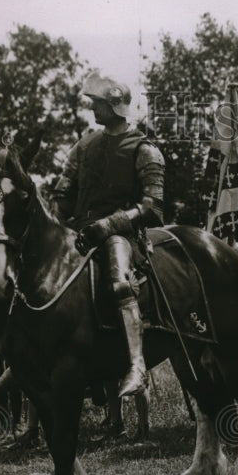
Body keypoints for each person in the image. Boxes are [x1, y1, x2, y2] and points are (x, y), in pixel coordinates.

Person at [51, 71, 165, 397]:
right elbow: (63, 193)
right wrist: (56, 225)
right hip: (78, 231)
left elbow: (153, 207)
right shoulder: (84, 144)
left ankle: (137, 365)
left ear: (114, 105)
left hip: (121, 234)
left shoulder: (143, 148)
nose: (92, 109)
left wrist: (110, 224)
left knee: (119, 283)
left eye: (97, 103)